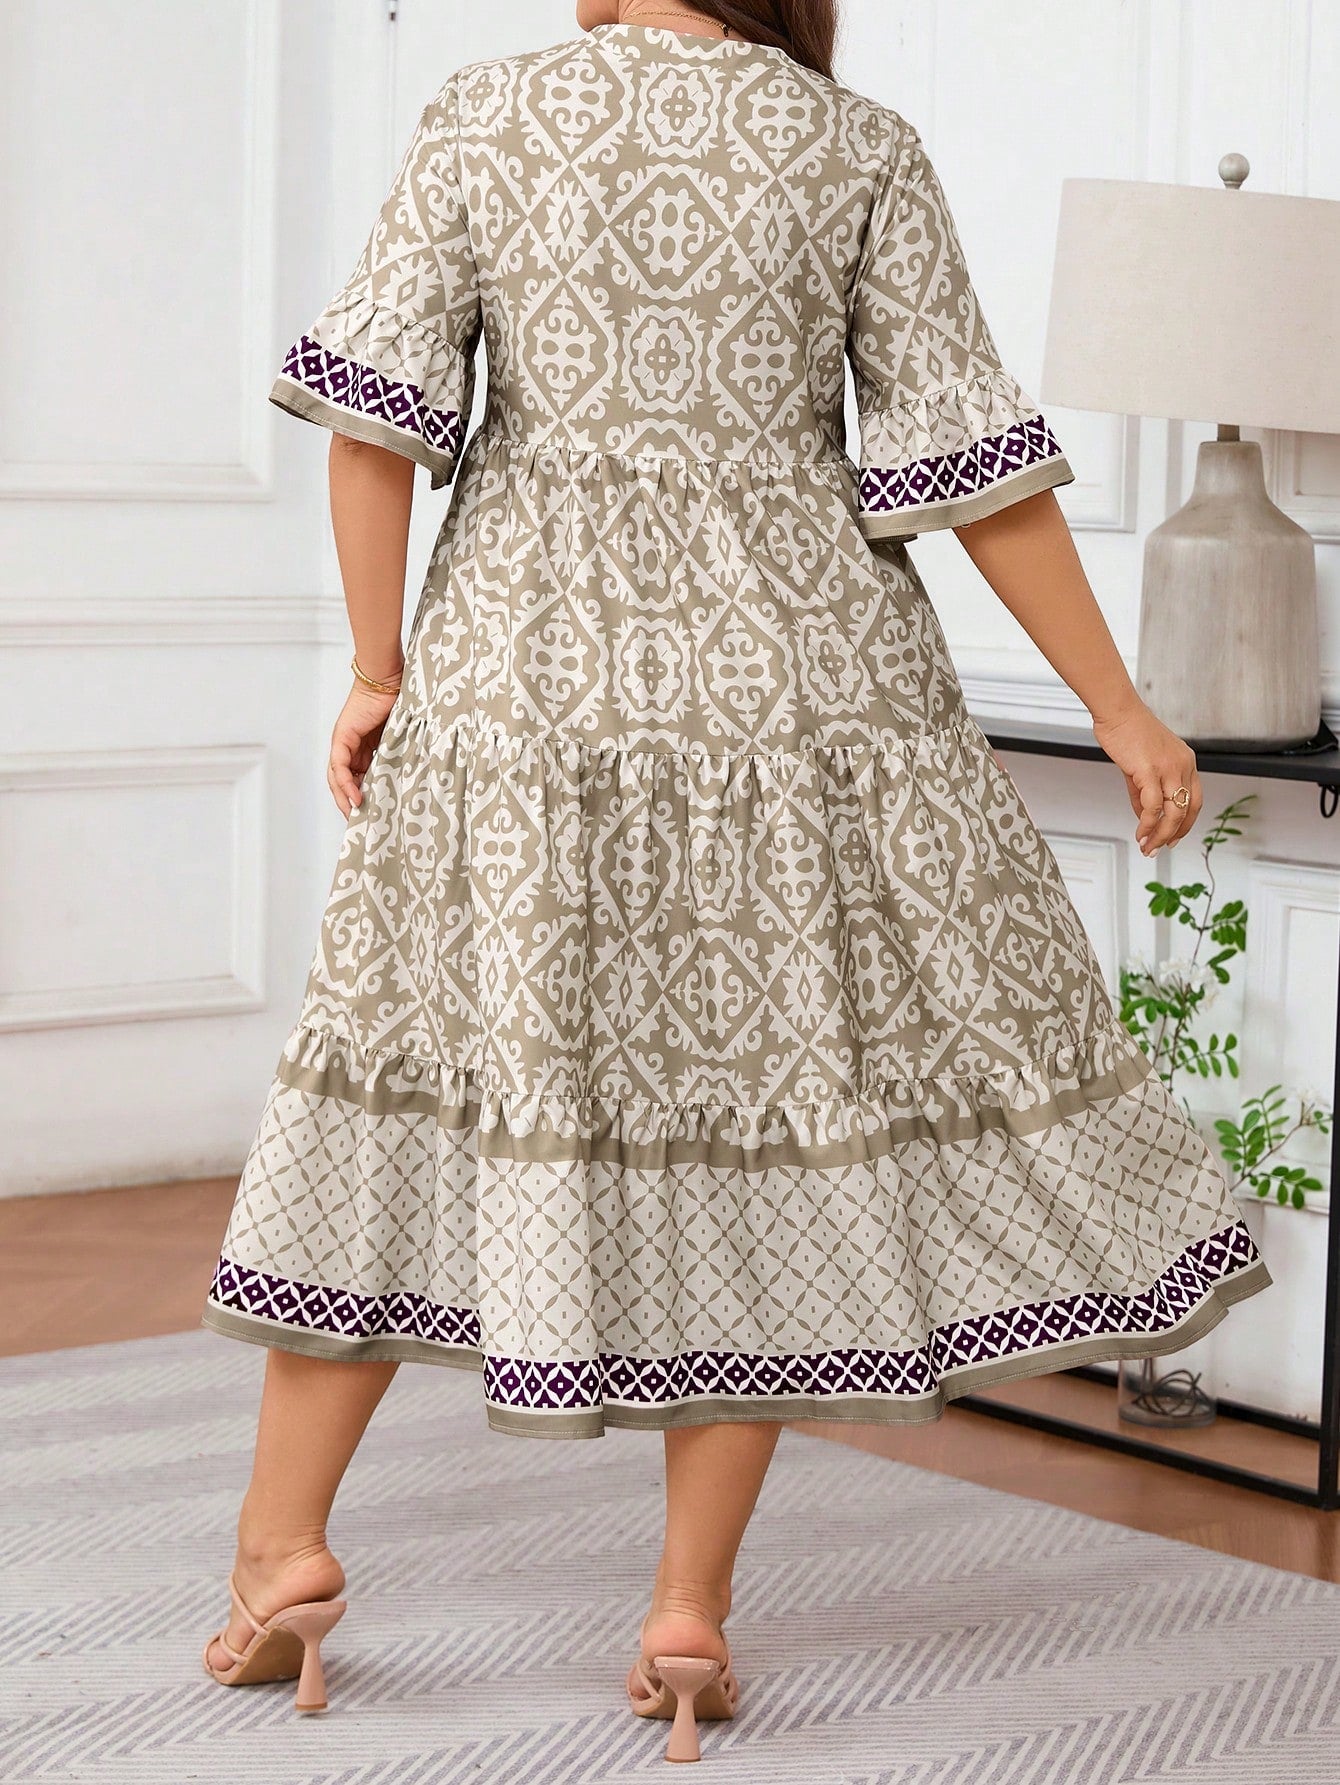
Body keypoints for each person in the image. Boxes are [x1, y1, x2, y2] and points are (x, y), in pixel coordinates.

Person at [198, 0, 1272, 1760]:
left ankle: (283, 1556)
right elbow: (977, 472)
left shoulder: (491, 114)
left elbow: (372, 423)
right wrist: (1120, 705)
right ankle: (687, 1611)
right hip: (799, 700)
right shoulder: (854, 145)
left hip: (527, 691)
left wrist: (380, 666)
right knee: (769, 1129)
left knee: (390, 1097)